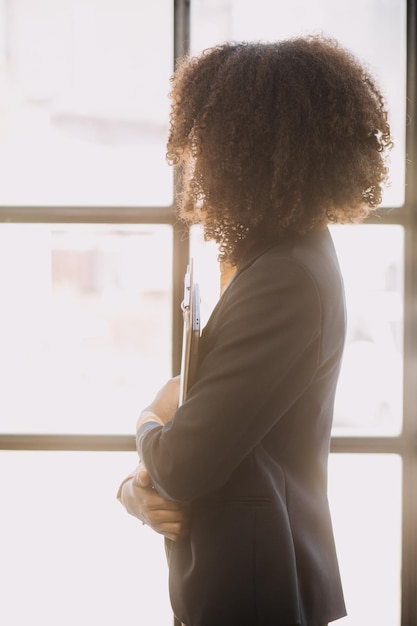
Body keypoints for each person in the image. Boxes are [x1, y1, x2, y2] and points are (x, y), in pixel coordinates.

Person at [118, 35, 392, 626]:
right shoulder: (280, 261)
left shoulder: (287, 278)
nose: (198, 163)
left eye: (209, 144)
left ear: (253, 152)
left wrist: (146, 418)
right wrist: (134, 487)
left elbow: (186, 462)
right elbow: (218, 431)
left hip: (256, 590)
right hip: (251, 577)